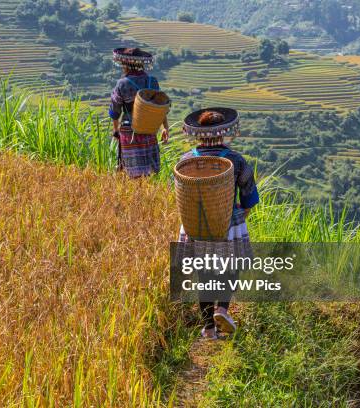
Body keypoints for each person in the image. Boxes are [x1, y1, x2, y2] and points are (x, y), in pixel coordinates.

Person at [178, 109, 259, 339]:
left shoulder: (185, 160)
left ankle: (209, 330)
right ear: (222, 133)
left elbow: (181, 194)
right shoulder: (234, 160)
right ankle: (222, 309)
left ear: (199, 134)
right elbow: (249, 195)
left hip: (196, 224)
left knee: (204, 274)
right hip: (226, 222)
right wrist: (241, 214)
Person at [109, 47, 170, 178]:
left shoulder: (122, 84)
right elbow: (160, 106)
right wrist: (165, 128)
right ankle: (145, 195)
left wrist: (116, 131)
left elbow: (115, 110)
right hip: (149, 128)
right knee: (147, 171)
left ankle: (136, 195)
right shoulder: (152, 82)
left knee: (131, 171)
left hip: (129, 130)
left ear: (125, 65)